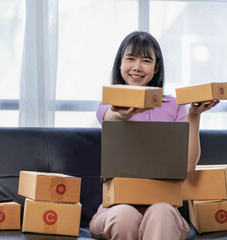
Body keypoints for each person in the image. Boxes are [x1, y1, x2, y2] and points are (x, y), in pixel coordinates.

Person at [89, 31, 219, 240]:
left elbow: (187, 167)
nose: (137, 67)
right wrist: (123, 111)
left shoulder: (175, 106)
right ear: (120, 64)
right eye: (130, 59)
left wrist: (194, 116)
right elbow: (110, 116)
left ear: (156, 66)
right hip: (115, 208)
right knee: (124, 215)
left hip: (164, 208)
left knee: (160, 212)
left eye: (146, 60)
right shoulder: (110, 103)